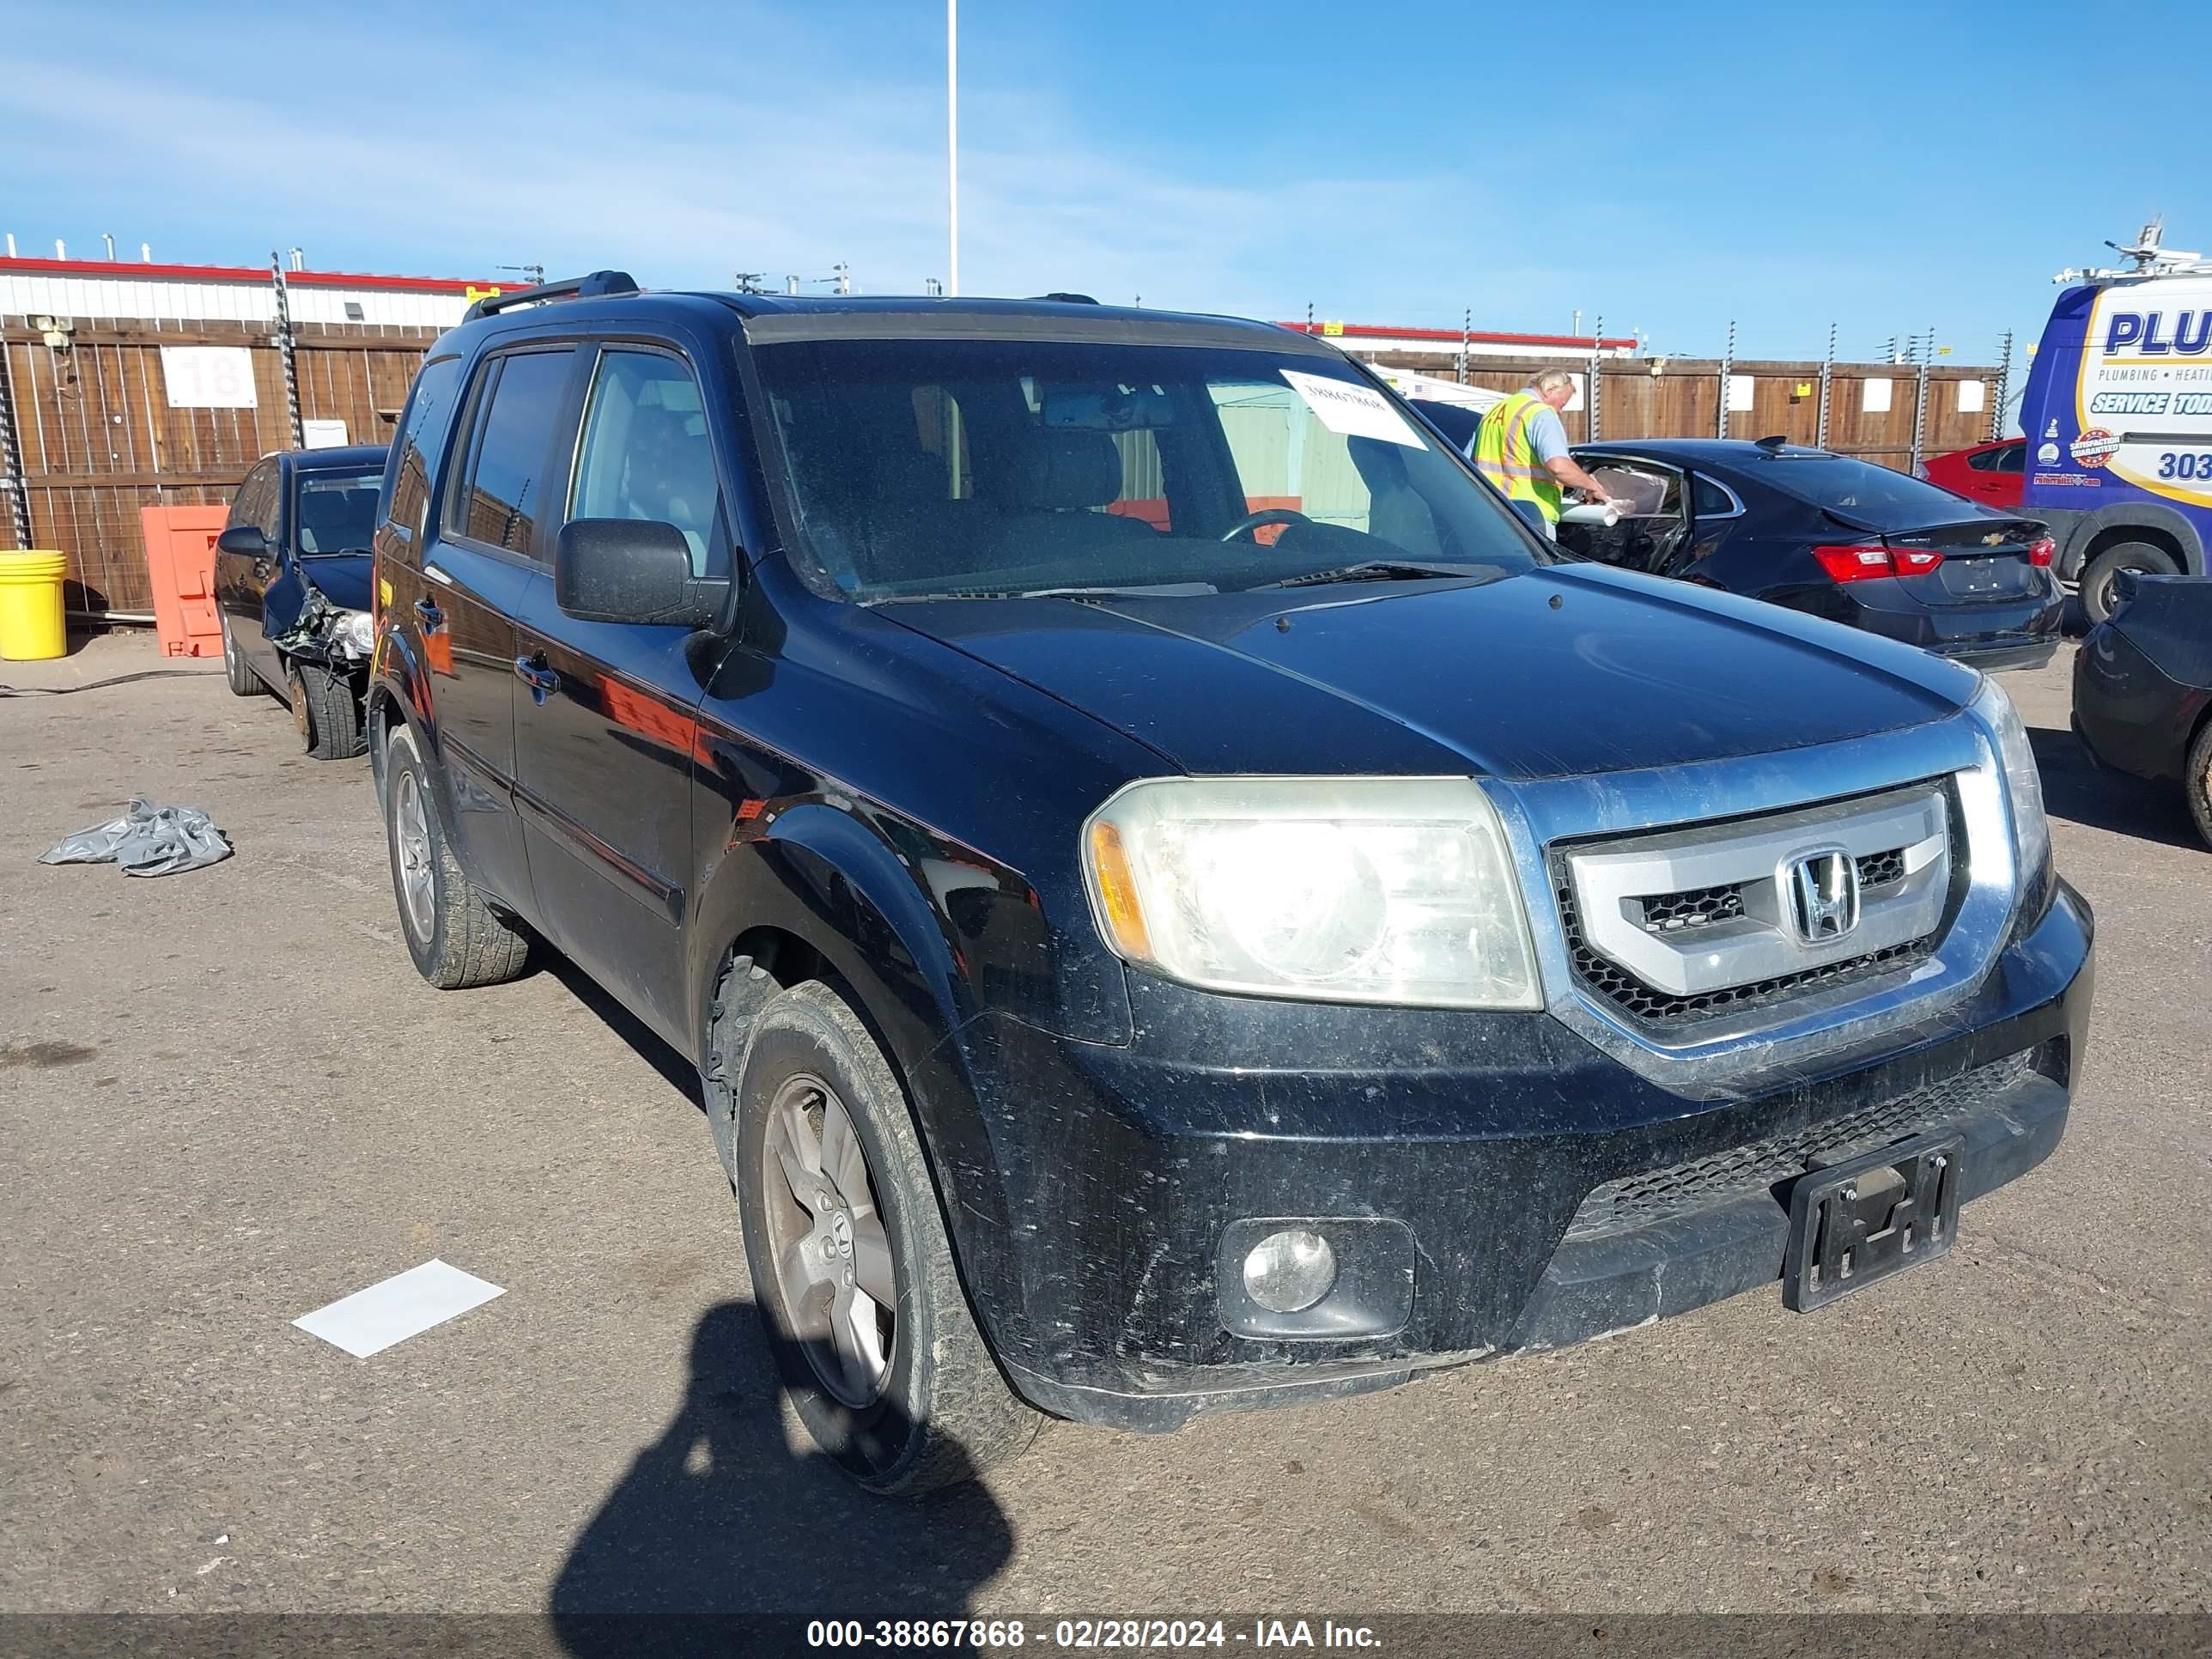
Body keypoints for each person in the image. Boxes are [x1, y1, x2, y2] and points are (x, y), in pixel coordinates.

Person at [1471, 368, 1614, 538]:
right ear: (1550, 390)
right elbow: (1558, 466)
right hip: (1528, 519)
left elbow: (1467, 463)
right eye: (1562, 404)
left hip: (1487, 513)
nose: (1560, 411)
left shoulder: (1493, 412)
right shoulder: (1540, 413)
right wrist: (1592, 486)